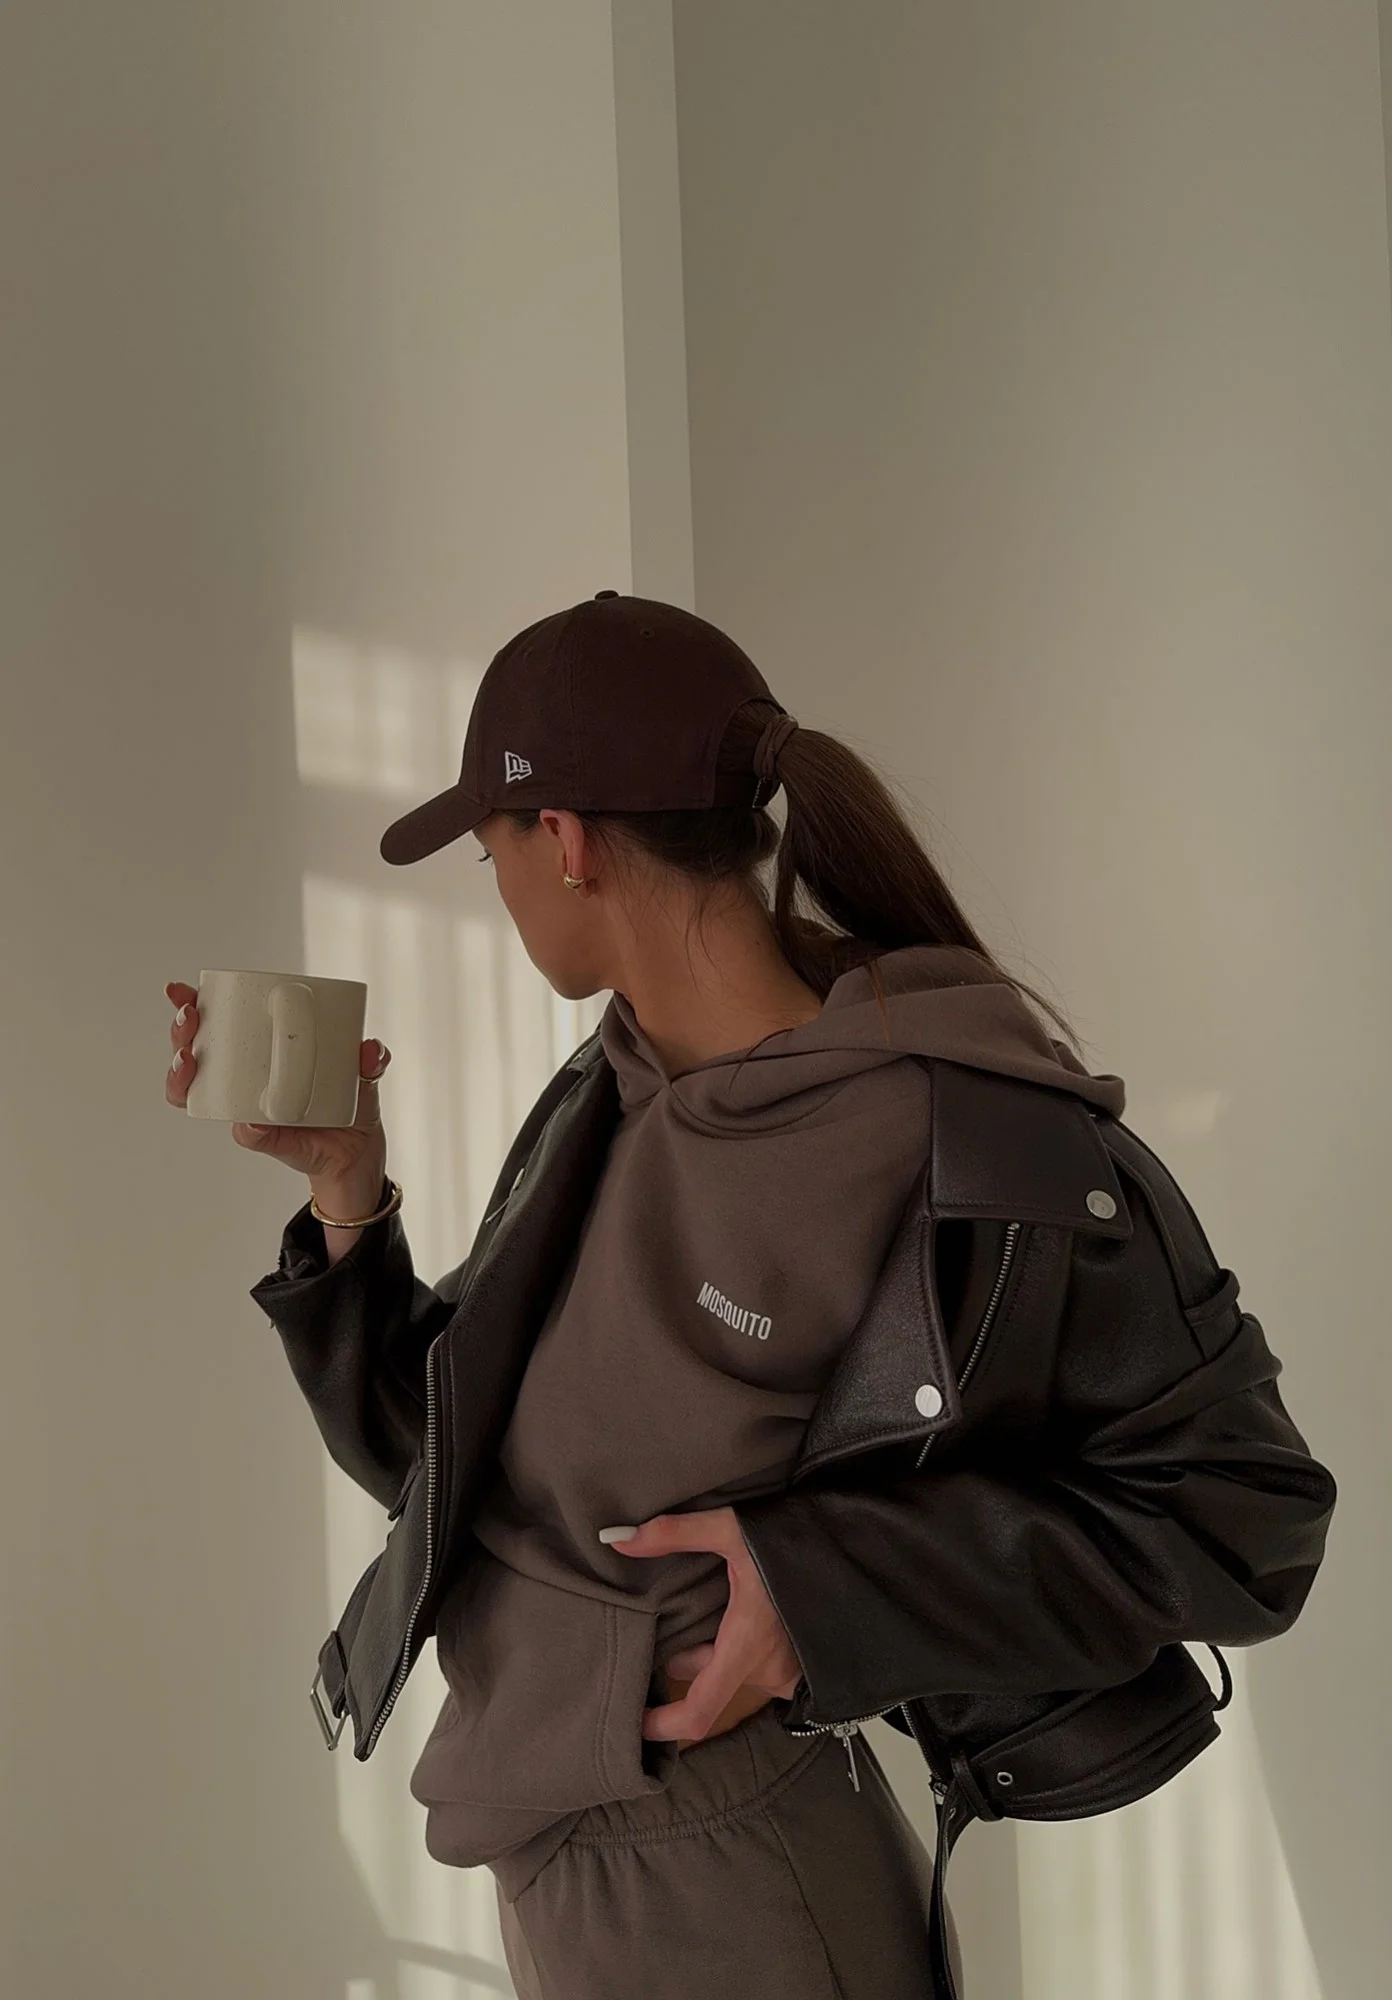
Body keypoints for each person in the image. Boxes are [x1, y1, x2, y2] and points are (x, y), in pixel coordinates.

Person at [160, 593, 1232, 1997]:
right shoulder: (613, 1094)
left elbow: (1236, 1514)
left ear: (563, 841)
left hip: (733, 1878)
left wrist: (822, 1590)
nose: (499, 888)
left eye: (489, 852)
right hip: (569, 1866)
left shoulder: (966, 1137)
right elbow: (454, 1478)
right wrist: (346, 1193)